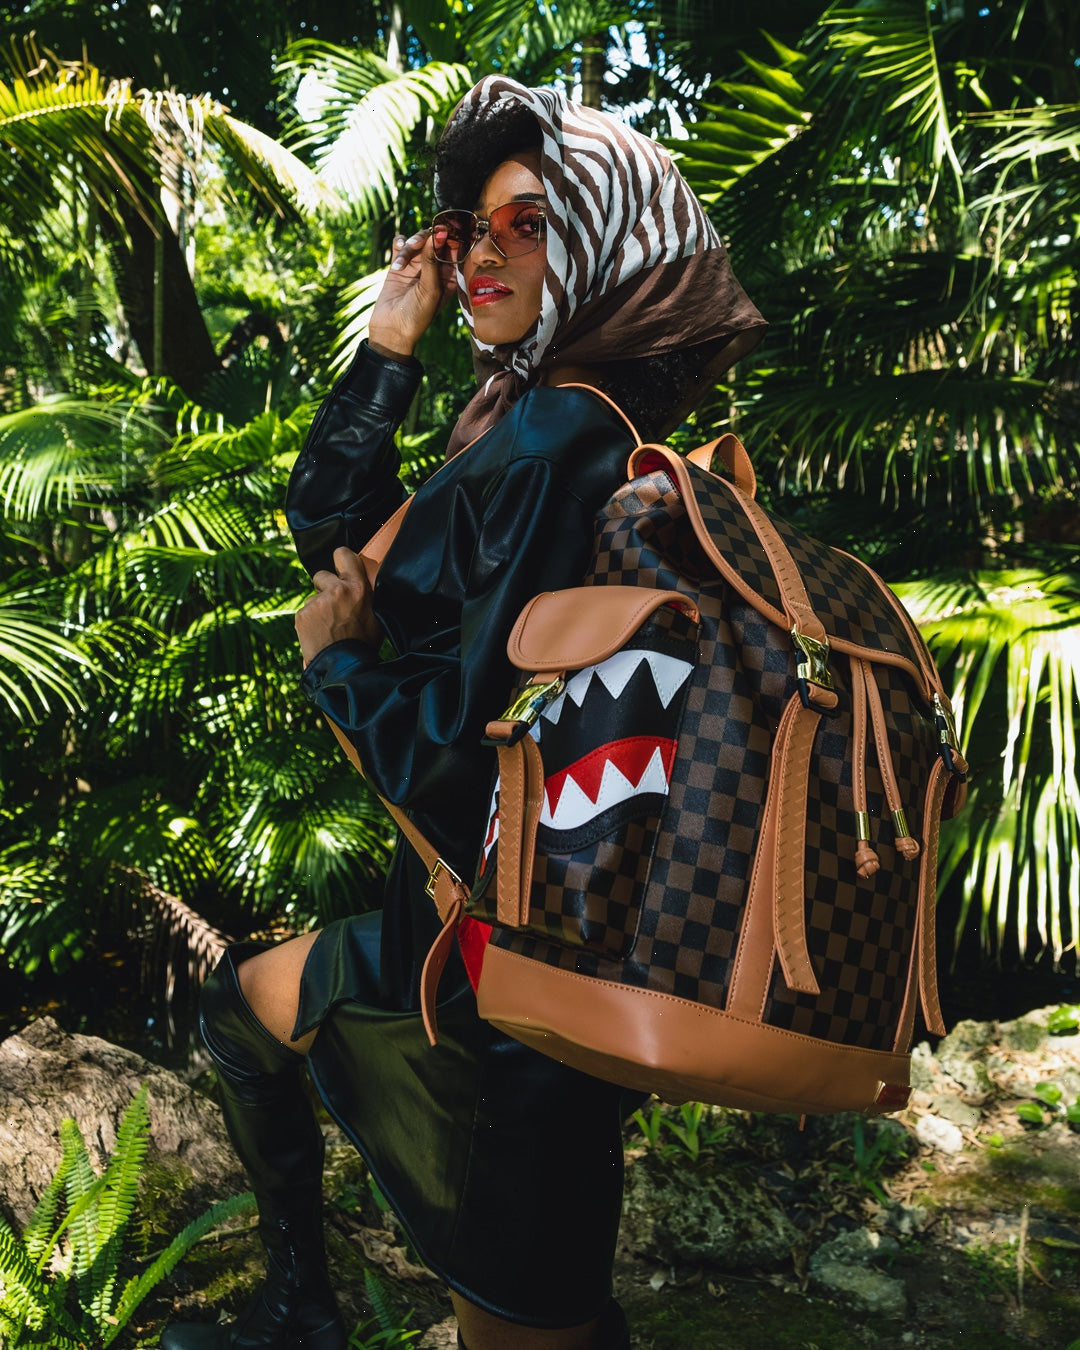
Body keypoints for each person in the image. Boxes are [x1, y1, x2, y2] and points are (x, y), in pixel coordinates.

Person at [161, 76, 764, 1350]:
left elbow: (454, 750)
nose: (484, 253)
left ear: (608, 246)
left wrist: (338, 666)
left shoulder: (555, 439)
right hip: (455, 934)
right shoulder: (551, 424)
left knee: (534, 1318)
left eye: (528, 225)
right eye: (469, 229)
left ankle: (306, 1308)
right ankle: (301, 1309)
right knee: (244, 1008)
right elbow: (345, 536)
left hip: (514, 987)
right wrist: (392, 340)